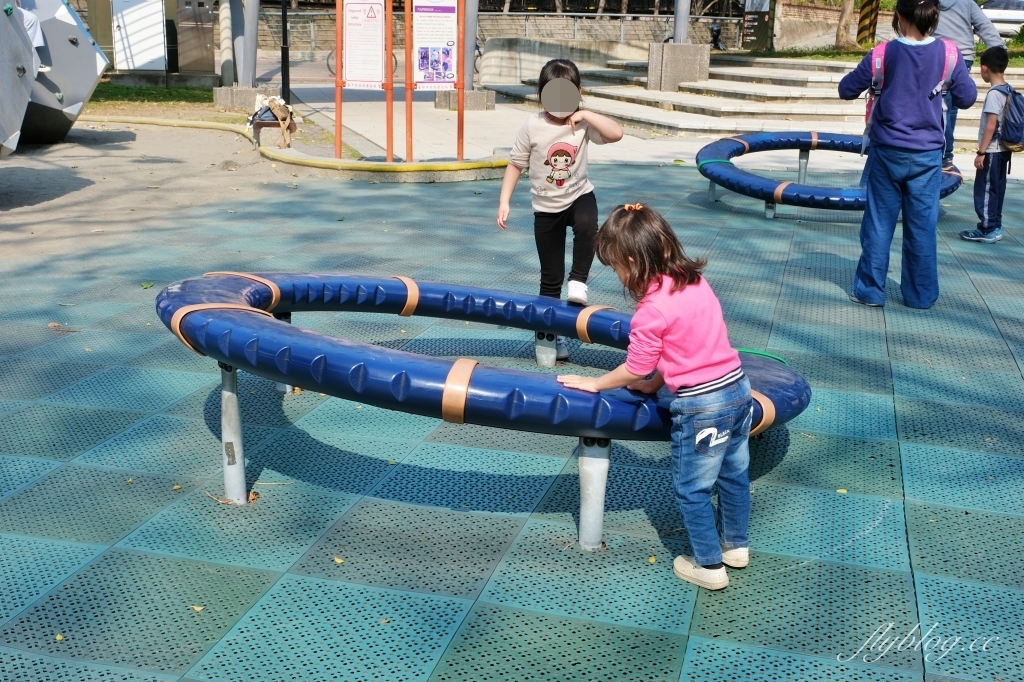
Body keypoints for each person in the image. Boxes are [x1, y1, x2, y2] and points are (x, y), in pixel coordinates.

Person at [557, 203, 750, 591]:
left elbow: (635, 366)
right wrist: (658, 381)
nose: (619, 276)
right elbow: (688, 343)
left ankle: (709, 567)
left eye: (616, 268)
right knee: (733, 473)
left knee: (691, 488)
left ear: (631, 261)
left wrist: (596, 384)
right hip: (738, 389)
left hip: (702, 406)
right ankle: (735, 546)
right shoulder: (693, 280)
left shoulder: (651, 311)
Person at [839, 0, 976, 309]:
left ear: (898, 16)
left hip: (886, 151)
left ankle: (870, 291)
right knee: (922, 227)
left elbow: (846, 89)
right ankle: (920, 295)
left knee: (878, 224)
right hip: (927, 155)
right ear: (934, 16)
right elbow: (967, 98)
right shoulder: (950, 54)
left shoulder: (882, 54)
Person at [497, 58, 623, 362]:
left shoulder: (581, 124)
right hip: (545, 208)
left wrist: (587, 114)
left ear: (578, 93)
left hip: (579, 195)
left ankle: (579, 280)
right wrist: (504, 201)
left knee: (587, 224)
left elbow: (616, 133)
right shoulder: (532, 126)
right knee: (550, 277)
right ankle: (549, 339)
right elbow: (516, 164)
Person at [934, 0, 1004, 170]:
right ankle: (945, 155)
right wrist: (1000, 53)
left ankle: (943, 154)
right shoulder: (966, 3)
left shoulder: (928, 3)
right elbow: (984, 26)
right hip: (961, 57)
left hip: (937, 55)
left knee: (940, 105)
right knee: (950, 108)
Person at [962, 46, 1011, 244]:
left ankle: (987, 228)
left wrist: (980, 152)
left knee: (985, 189)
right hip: (1004, 150)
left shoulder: (994, 94)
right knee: (997, 189)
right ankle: (995, 224)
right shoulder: (1009, 89)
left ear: (984, 68)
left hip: (991, 150)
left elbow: (991, 125)